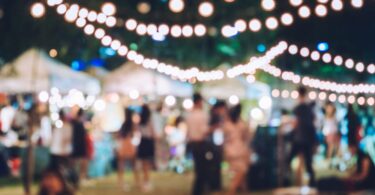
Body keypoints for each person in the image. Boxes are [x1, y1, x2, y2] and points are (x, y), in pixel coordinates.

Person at [288, 86, 317, 186]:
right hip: (307, 138)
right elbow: (313, 122)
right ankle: (311, 182)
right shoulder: (309, 108)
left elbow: (294, 123)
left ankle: (289, 180)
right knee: (308, 163)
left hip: (299, 138)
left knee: (289, 160)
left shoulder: (298, 108)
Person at [185, 93, 210, 195]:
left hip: (192, 144)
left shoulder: (189, 115)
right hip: (201, 143)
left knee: (198, 168)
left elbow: (188, 132)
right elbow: (204, 131)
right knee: (202, 170)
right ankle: (198, 190)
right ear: (199, 102)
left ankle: (198, 190)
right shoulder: (202, 115)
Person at [223, 104, 250, 195]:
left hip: (231, 150)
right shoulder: (242, 124)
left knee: (241, 176)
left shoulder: (227, 124)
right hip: (239, 150)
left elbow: (224, 139)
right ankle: (231, 192)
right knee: (241, 172)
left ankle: (242, 191)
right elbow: (246, 137)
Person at [116, 107, 139, 191]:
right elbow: (134, 134)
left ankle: (120, 181)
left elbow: (119, 135)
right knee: (133, 164)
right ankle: (137, 181)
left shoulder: (123, 124)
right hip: (130, 144)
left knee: (121, 163)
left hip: (124, 144)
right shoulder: (132, 124)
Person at [208, 100, 227, 192]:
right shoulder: (214, 116)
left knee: (216, 166)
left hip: (215, 144)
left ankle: (215, 185)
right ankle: (215, 185)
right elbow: (209, 129)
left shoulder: (215, 116)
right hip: (213, 145)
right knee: (215, 166)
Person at [137, 104, 156, 192]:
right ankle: (146, 181)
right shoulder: (149, 121)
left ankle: (144, 181)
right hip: (148, 142)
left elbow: (138, 132)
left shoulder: (140, 121)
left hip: (142, 142)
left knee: (143, 163)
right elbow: (153, 133)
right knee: (147, 164)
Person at [70, 108, 88, 188]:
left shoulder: (74, 123)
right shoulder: (77, 123)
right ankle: (77, 178)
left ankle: (79, 178)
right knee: (79, 162)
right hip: (77, 145)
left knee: (78, 162)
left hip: (77, 145)